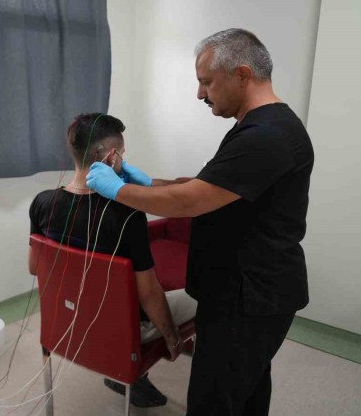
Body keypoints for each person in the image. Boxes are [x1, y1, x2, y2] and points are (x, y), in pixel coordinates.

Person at [86, 28, 314, 416]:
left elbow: (191, 201)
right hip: (242, 289)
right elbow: (210, 185)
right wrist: (148, 182)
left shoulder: (267, 135)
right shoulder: (256, 127)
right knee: (247, 387)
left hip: (249, 298)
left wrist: (118, 191)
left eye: (206, 82)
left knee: (214, 400)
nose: (199, 94)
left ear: (242, 75)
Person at [29, 112, 197, 408]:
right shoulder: (127, 214)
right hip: (121, 330)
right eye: (122, 153)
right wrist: (172, 338)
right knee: (206, 295)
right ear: (111, 156)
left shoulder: (43, 203)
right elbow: (149, 294)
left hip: (65, 321)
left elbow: (35, 267)